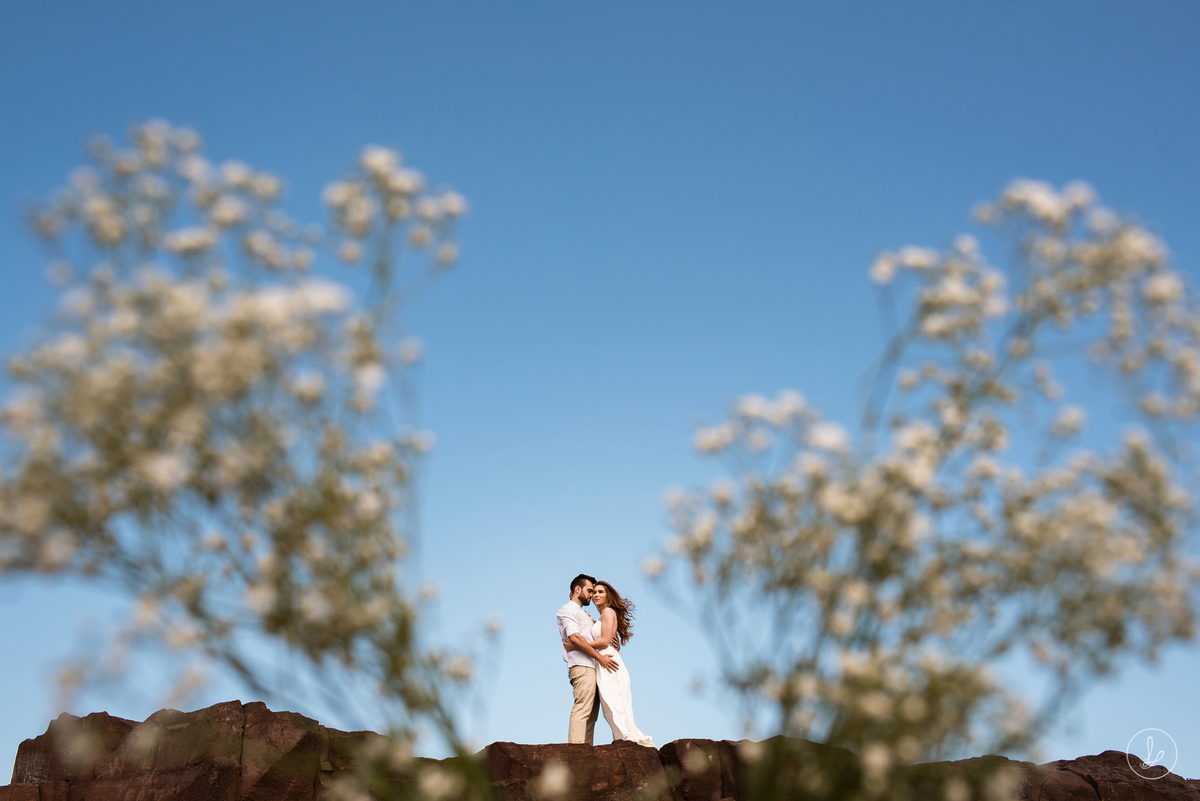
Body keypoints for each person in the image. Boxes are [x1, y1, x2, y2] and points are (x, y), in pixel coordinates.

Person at [564, 580, 654, 747]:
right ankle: (622, 742)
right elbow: (609, 639)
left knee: (614, 705)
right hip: (603, 661)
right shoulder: (599, 616)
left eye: (600, 592)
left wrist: (576, 644)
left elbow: (605, 641)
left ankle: (628, 742)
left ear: (608, 596)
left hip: (608, 662)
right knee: (610, 707)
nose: (596, 595)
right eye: (594, 592)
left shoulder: (607, 612)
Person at [556, 573, 619, 745]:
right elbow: (575, 638)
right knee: (583, 708)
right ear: (577, 590)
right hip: (582, 666)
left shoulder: (587, 615)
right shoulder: (568, 610)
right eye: (589, 591)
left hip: (595, 667)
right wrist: (600, 657)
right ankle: (575, 750)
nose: (592, 595)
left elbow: (597, 637)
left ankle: (586, 752)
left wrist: (612, 639)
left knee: (592, 715)